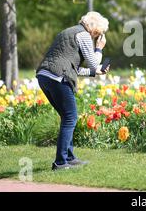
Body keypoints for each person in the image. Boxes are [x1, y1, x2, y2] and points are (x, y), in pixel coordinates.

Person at [36, 11, 110, 170]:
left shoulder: (67, 32)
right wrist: (99, 49)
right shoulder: (83, 34)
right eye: (98, 32)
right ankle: (60, 163)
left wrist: (94, 72)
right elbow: (92, 62)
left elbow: (72, 67)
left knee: (66, 117)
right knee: (71, 117)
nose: (97, 36)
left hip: (44, 76)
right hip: (57, 77)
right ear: (93, 26)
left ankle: (69, 157)